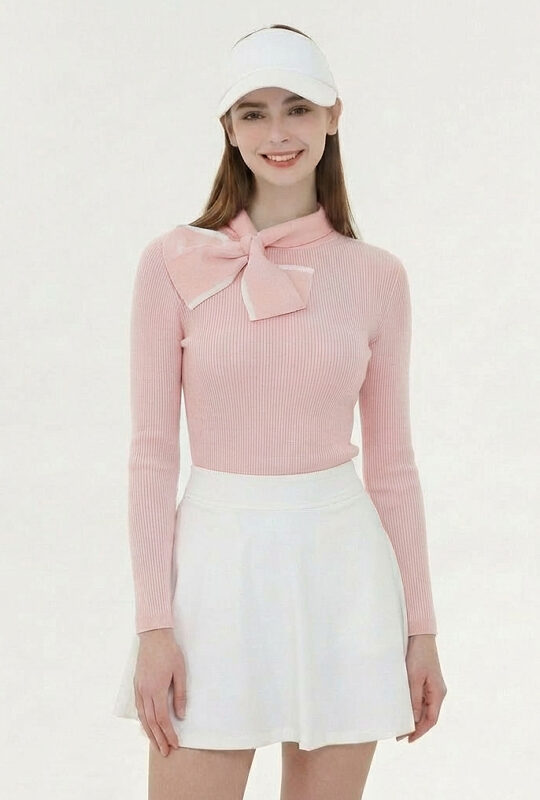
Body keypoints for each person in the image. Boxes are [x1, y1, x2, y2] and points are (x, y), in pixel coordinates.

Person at [113, 23, 447, 800]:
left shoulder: (377, 276)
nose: (278, 132)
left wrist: (421, 630)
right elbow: (152, 452)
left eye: (297, 106)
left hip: (344, 571)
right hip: (214, 571)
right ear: (229, 130)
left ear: (333, 115)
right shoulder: (174, 263)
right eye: (254, 112)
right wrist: (153, 626)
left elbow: (393, 464)